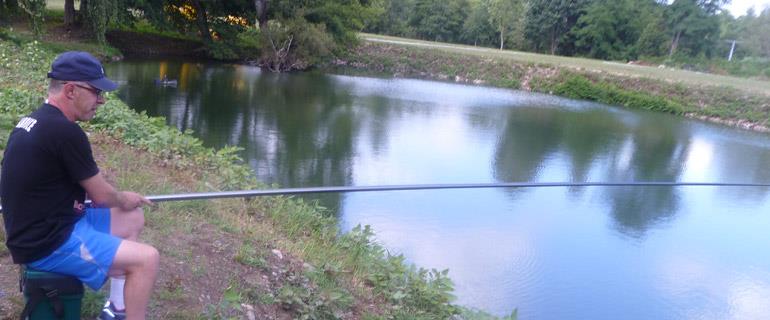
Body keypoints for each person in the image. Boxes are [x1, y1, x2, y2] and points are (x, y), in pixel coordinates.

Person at [0, 51, 159, 320]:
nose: (102, 100)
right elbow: (101, 196)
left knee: (132, 217)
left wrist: (123, 202)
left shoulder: (36, 120)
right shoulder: (65, 131)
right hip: (46, 242)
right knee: (147, 259)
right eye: (96, 91)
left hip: (50, 224)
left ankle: (117, 308)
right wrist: (124, 197)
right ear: (71, 90)